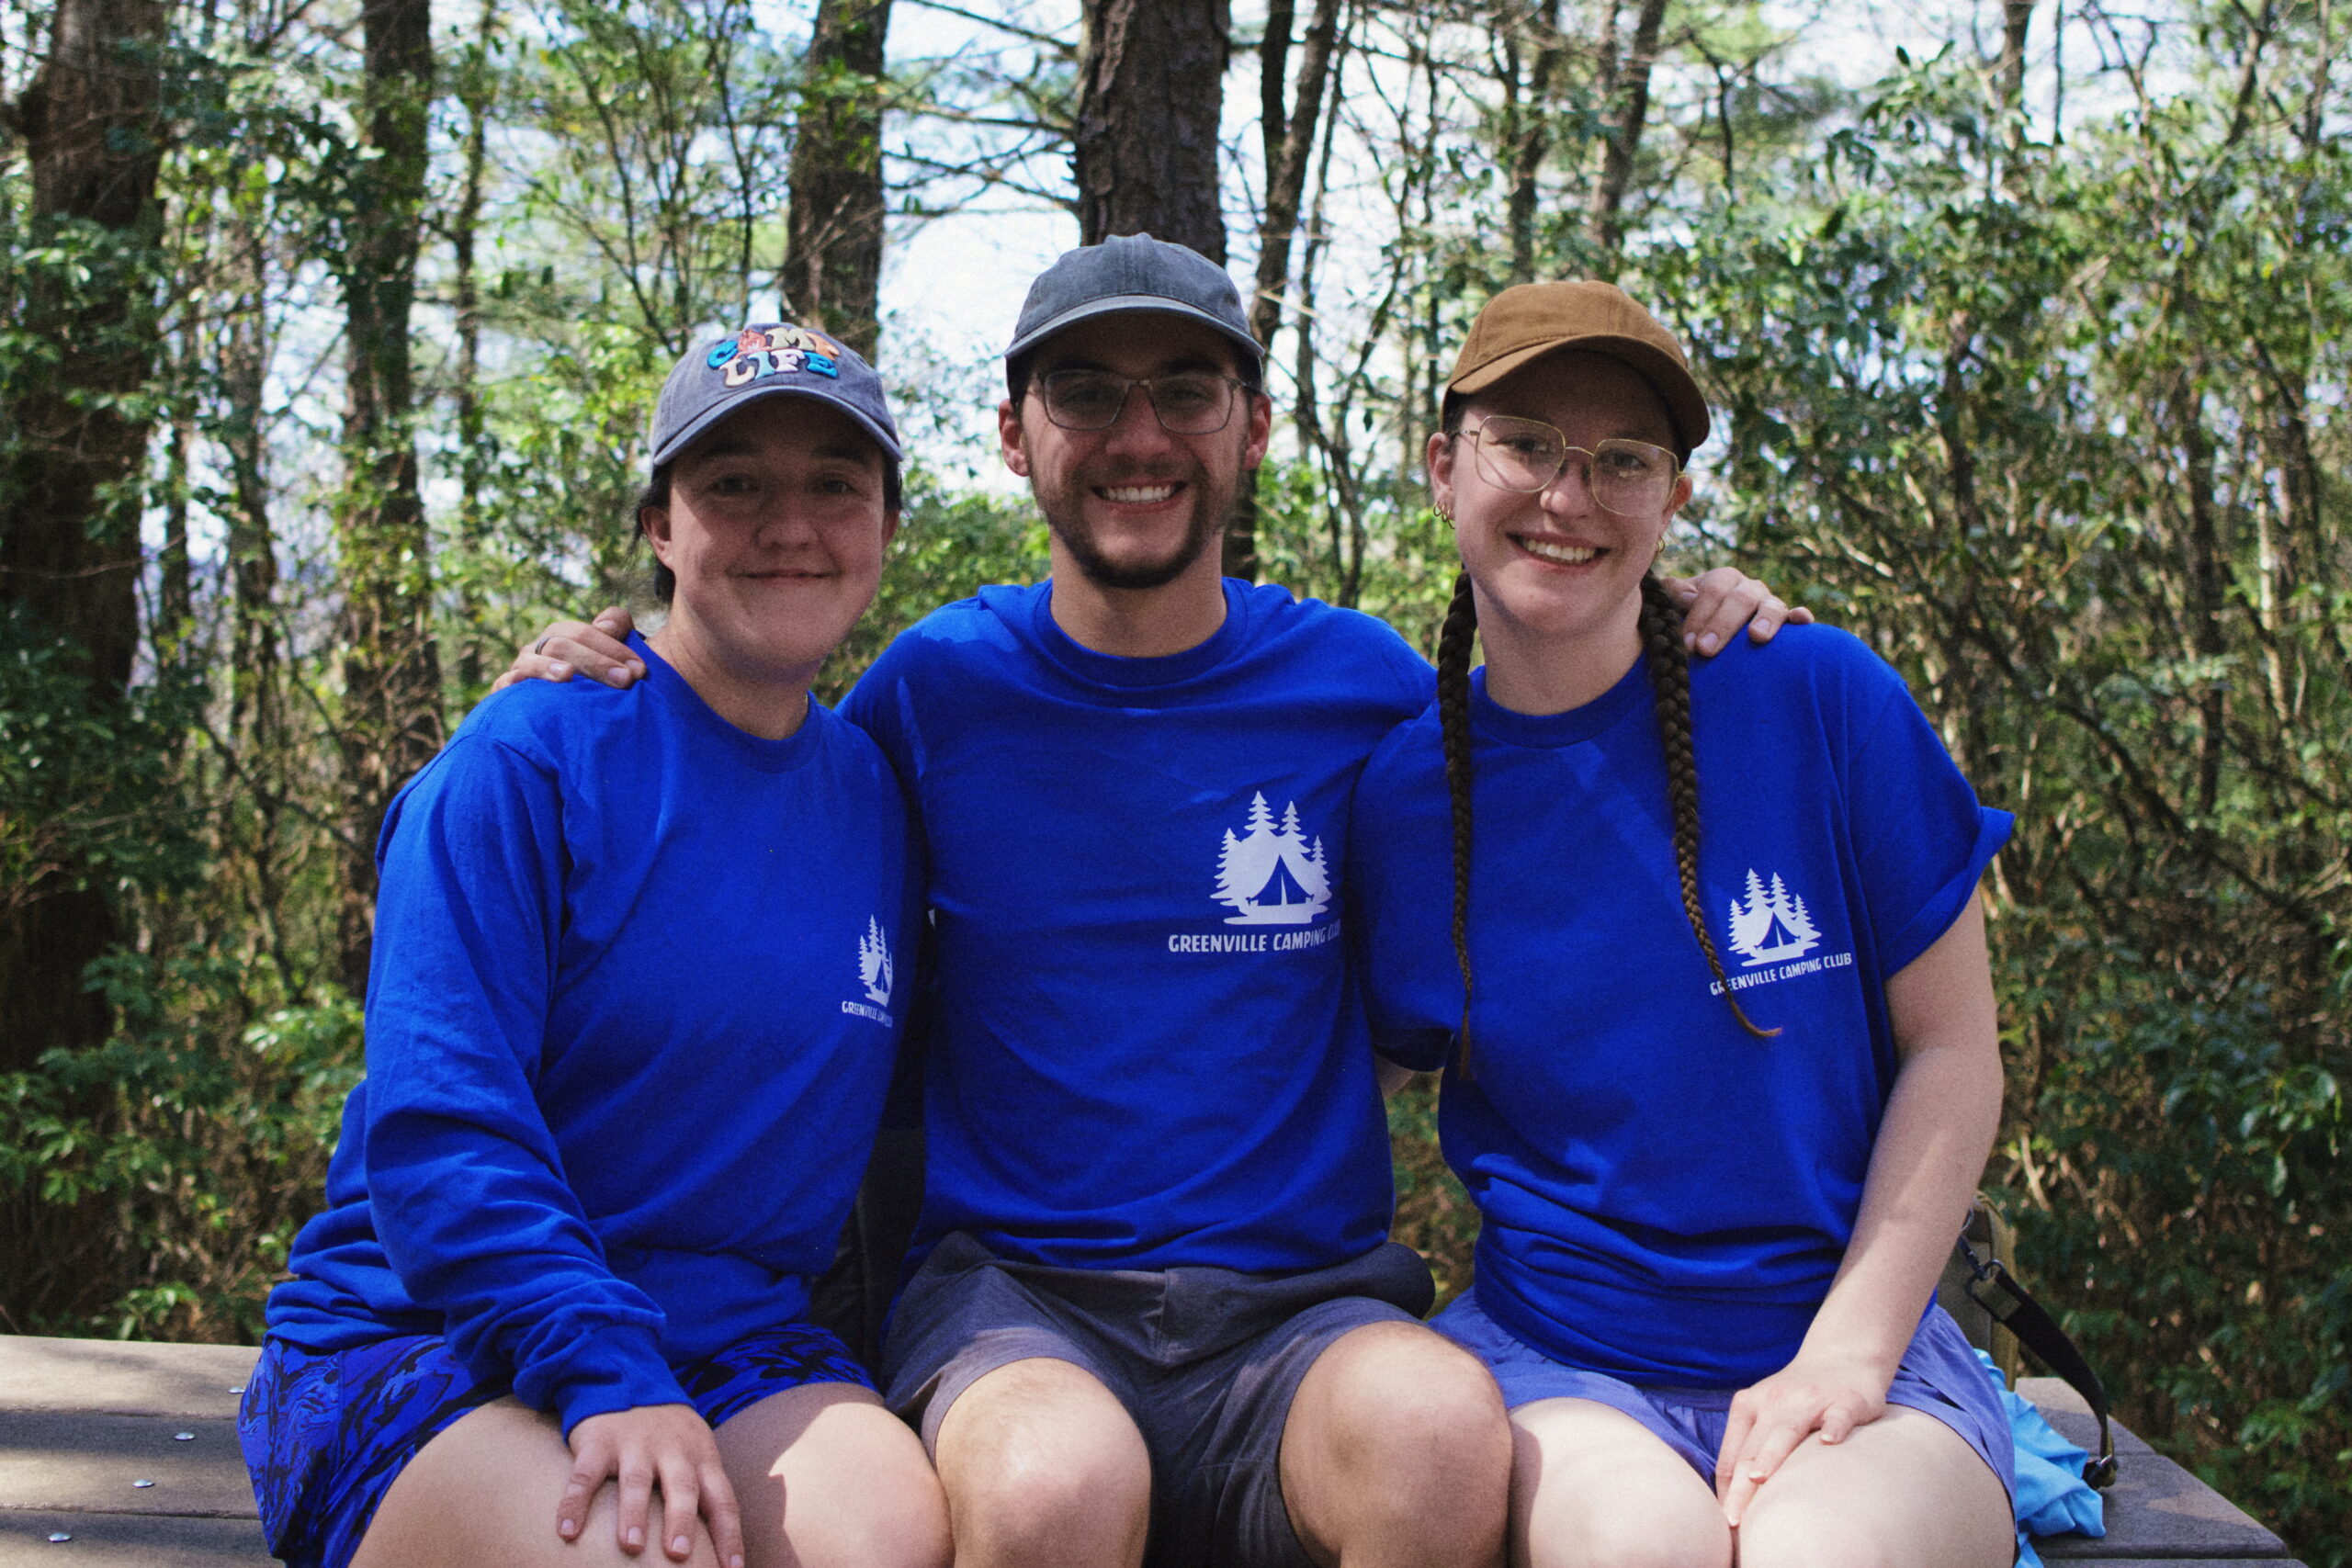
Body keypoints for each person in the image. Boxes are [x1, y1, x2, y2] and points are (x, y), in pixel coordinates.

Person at [504, 237, 1803, 1568]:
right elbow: (759, 779)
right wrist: (618, 666)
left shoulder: (1363, 689)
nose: (1141, 437)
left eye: (1186, 391)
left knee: (1437, 1436)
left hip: (1306, 1307)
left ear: (1253, 429)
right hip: (1016, 1304)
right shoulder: (934, 692)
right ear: (1016, 435)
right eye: (1085, 393)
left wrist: (1679, 617)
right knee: (1049, 1485)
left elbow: (1551, 786)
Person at [239, 326, 951, 1568]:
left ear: (886, 526)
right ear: (663, 528)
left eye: (835, 484)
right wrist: (607, 1368)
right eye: (734, 483)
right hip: (434, 1331)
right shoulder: (523, 762)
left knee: (891, 1535)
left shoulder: (879, 799)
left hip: (729, 1341)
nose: (791, 524)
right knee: (638, 1555)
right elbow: (440, 1126)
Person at [1346, 279, 2017, 1568]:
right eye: (1526, 443)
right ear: (1443, 466)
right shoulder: (1401, 799)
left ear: (1676, 497)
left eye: (1624, 460)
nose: (1568, 494)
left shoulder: (1816, 696)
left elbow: (1953, 1049)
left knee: (1822, 1555)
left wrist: (1850, 1354)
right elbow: (1350, 1071)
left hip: (1851, 1345)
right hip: (1563, 1362)